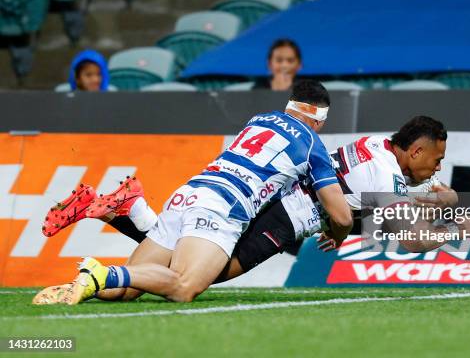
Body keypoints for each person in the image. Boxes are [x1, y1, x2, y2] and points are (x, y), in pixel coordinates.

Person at [34, 116, 470, 305]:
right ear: (415, 150)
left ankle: (126, 213)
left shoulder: (383, 147)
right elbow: (409, 237)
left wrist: (443, 198)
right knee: (205, 275)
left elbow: (420, 190)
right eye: (435, 159)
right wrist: (453, 232)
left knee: (174, 270)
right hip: (286, 217)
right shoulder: (387, 177)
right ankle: (133, 214)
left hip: (275, 198)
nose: (437, 167)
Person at [34, 79, 352, 305]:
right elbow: (341, 215)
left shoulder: (259, 120)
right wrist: (338, 234)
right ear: (319, 119)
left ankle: (85, 278)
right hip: (223, 207)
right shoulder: (312, 143)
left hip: (188, 193)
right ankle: (102, 269)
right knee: (183, 285)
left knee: (126, 288)